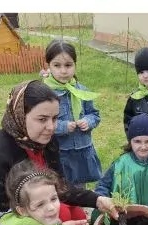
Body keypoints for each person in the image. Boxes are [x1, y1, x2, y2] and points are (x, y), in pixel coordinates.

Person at [0, 81, 119, 225]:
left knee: (78, 216)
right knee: (63, 218)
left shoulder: (46, 141)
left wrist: (97, 200)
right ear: (20, 115)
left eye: (55, 118)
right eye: (42, 119)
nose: (51, 127)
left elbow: (60, 185)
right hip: (1, 223)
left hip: (37, 202)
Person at [42, 39, 103, 185]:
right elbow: (42, 123)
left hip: (82, 150)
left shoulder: (82, 91)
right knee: (62, 188)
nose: (63, 71)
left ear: (75, 65)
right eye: (57, 65)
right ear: (48, 66)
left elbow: (94, 115)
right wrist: (63, 126)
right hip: (61, 153)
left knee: (80, 188)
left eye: (68, 65)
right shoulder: (45, 94)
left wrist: (88, 121)